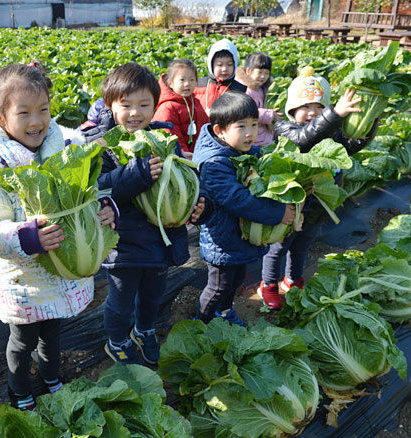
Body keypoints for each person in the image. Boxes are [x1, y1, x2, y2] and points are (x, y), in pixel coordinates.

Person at [0, 61, 117, 411]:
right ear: (1, 118)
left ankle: (51, 377)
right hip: (24, 281)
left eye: (44, 110)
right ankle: (19, 390)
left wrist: (106, 211)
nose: (36, 121)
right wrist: (27, 238)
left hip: (60, 277)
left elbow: (89, 194)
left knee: (53, 335)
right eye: (24, 113)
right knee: (21, 341)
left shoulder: (66, 148)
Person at [81, 62, 207, 365]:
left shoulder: (164, 139)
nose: (135, 113)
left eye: (144, 104)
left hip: (161, 243)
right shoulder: (100, 146)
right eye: (126, 105)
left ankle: (145, 331)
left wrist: (200, 202)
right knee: (121, 301)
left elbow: (185, 180)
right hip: (123, 246)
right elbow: (98, 189)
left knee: (152, 296)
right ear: (111, 106)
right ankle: (117, 339)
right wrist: (136, 173)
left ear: (155, 105)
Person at [257, 67, 377, 310]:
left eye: (319, 107)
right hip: (291, 204)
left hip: (318, 204)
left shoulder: (330, 134)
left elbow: (350, 147)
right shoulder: (285, 129)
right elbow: (304, 139)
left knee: (302, 244)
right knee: (279, 246)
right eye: (305, 107)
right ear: (292, 110)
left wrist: (369, 124)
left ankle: (293, 280)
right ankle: (268, 284)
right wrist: (333, 114)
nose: (312, 113)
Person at [192, 91, 295, 326]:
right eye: (242, 127)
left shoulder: (245, 151)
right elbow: (238, 200)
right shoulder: (214, 164)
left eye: (254, 125)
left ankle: (225, 313)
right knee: (218, 286)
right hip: (223, 240)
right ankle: (201, 324)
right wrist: (278, 213)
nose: (250, 133)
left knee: (236, 279)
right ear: (219, 130)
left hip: (238, 239)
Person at [152, 59, 208, 159]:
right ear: (171, 83)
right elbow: (171, 137)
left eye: (192, 80)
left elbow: (205, 128)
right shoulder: (168, 107)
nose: (187, 84)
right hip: (179, 158)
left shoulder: (195, 102)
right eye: (182, 80)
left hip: (197, 155)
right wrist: (184, 154)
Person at [237, 52, 283, 146]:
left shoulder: (263, 88)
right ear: (248, 71)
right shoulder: (245, 90)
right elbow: (246, 113)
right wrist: (269, 114)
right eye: (260, 72)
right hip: (254, 138)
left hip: (264, 134)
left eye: (266, 73)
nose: (263, 76)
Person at [195, 38, 247, 116]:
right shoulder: (198, 84)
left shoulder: (241, 89)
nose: (224, 69)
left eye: (229, 65)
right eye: (220, 65)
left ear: (235, 64)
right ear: (211, 65)